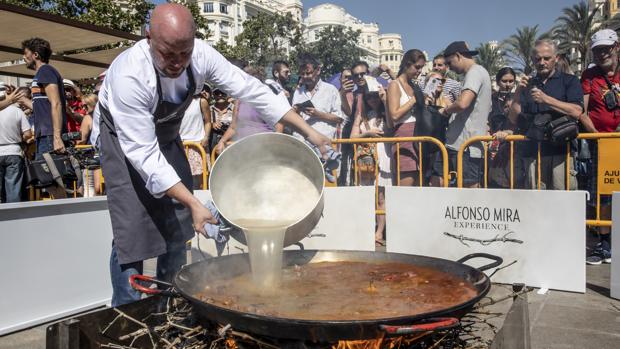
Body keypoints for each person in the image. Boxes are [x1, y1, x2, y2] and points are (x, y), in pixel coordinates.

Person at [90, 3, 331, 306]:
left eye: (184, 53)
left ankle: (169, 304)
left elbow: (250, 89)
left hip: (167, 139)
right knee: (133, 235)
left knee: (178, 228)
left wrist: (309, 131)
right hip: (125, 146)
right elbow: (144, 154)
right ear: (149, 37)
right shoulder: (130, 75)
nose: (178, 62)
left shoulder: (201, 54)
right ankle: (126, 312)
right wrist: (193, 202)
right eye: (168, 54)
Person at [507, 39, 582, 191]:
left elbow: (576, 111)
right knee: (535, 204)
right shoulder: (527, 84)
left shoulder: (569, 81)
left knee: (563, 201)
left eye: (546, 58)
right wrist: (517, 93)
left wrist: (546, 99)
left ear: (556, 58)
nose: (542, 62)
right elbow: (513, 118)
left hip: (561, 152)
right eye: (537, 59)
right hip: (532, 153)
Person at [580, 29, 620, 265]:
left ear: (616, 47)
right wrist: (595, 135)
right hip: (601, 145)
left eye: (606, 49)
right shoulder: (589, 75)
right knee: (603, 195)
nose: (602, 54)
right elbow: (582, 110)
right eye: (597, 50)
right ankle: (604, 245)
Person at [431, 42, 492, 188]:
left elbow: (463, 103)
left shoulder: (475, 72)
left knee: (468, 193)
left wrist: (445, 111)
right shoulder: (476, 73)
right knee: (439, 183)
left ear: (458, 56)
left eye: (449, 63)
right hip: (458, 144)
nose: (449, 67)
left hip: (466, 146)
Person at [21, 37, 68, 199]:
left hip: (50, 135)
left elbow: (55, 103)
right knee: (48, 180)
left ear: (35, 55)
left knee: (51, 180)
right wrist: (20, 98)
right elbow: (42, 108)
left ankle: (66, 213)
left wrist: (56, 137)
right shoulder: (41, 74)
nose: (23, 57)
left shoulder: (46, 71)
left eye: (25, 54)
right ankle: (65, 211)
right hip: (44, 134)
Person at [350, 88, 391, 245]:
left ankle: (379, 232)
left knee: (381, 197)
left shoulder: (387, 111)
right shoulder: (362, 116)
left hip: (384, 158)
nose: (372, 99)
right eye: (368, 97)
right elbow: (352, 137)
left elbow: (393, 127)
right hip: (366, 160)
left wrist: (386, 100)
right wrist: (367, 134)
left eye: (375, 96)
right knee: (366, 196)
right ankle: (366, 229)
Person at [215, 65, 284, 154]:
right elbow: (233, 127)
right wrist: (222, 141)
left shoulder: (269, 99)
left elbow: (279, 129)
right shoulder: (239, 100)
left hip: (264, 149)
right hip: (242, 148)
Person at [387, 49, 427, 186]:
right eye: (417, 67)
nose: (419, 71)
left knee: (417, 186)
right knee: (405, 187)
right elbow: (394, 115)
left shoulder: (414, 86)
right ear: (407, 64)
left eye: (421, 67)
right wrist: (414, 100)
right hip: (404, 137)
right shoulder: (394, 84)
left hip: (419, 137)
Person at [292, 54, 345, 142]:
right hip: (301, 142)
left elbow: (339, 119)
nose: (305, 77)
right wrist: (295, 111)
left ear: (318, 70)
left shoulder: (331, 90)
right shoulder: (298, 92)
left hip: (323, 144)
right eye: (302, 74)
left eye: (308, 73)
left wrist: (319, 114)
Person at [0, 84, 32, 203]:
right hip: (14, 151)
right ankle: (14, 217)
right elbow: (28, 134)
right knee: (13, 188)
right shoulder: (17, 111)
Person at [179, 84, 212, 189]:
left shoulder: (201, 101)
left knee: (201, 181)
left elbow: (208, 122)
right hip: (180, 145)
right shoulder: (175, 102)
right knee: (181, 179)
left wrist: (206, 137)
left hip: (198, 145)